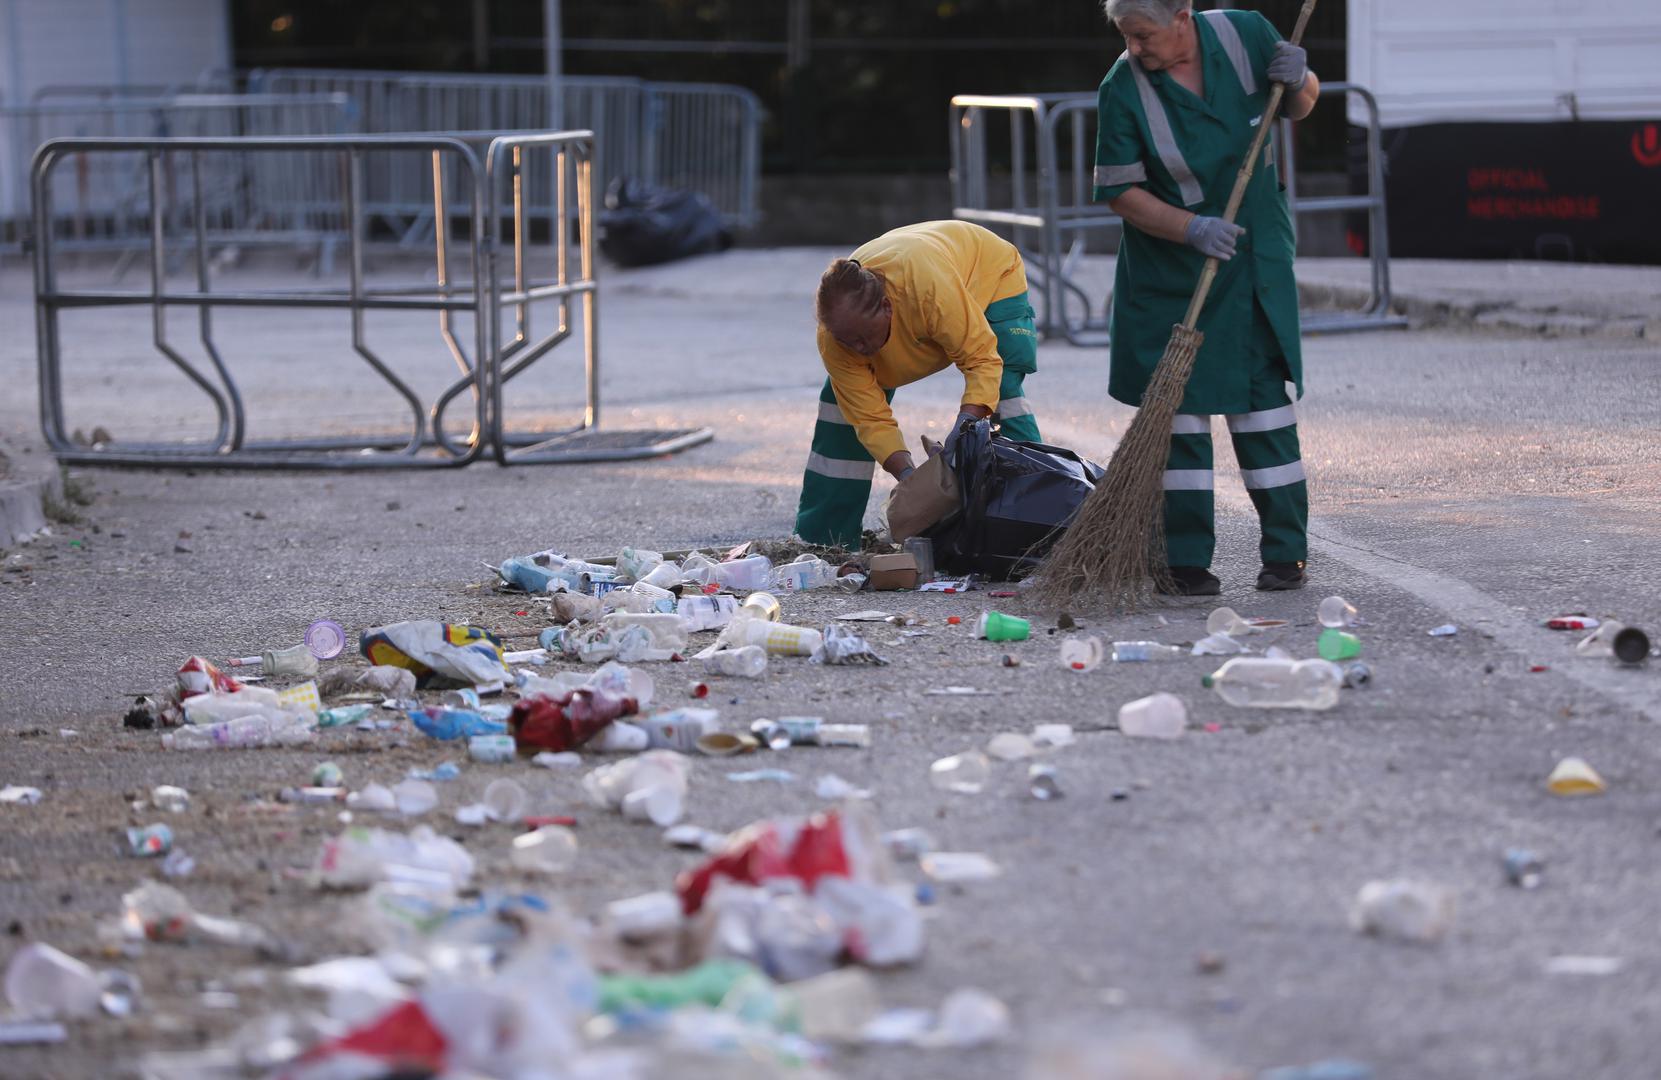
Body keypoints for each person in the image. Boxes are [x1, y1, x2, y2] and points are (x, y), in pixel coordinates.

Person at [1093, 0, 1320, 594]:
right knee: (1180, 416)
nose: (1135, 49)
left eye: (1143, 35)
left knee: (1262, 401)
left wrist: (1301, 81)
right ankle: (1185, 562)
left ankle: (1286, 554)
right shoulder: (1123, 86)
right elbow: (1121, 192)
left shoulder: (1246, 34)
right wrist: (1192, 229)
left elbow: (1295, 105)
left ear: (1182, 15)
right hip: (1171, 270)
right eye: (1126, 37)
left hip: (1253, 257)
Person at [794, 220, 1042, 547]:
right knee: (842, 409)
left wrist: (964, 431)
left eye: (863, 338)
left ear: (886, 307)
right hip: (924, 289)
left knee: (1002, 391)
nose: (858, 349)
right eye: (847, 342)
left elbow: (980, 358)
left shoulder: (926, 289)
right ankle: (826, 538)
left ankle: (1039, 515)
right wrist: (912, 481)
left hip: (987, 274)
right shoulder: (835, 338)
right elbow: (870, 419)